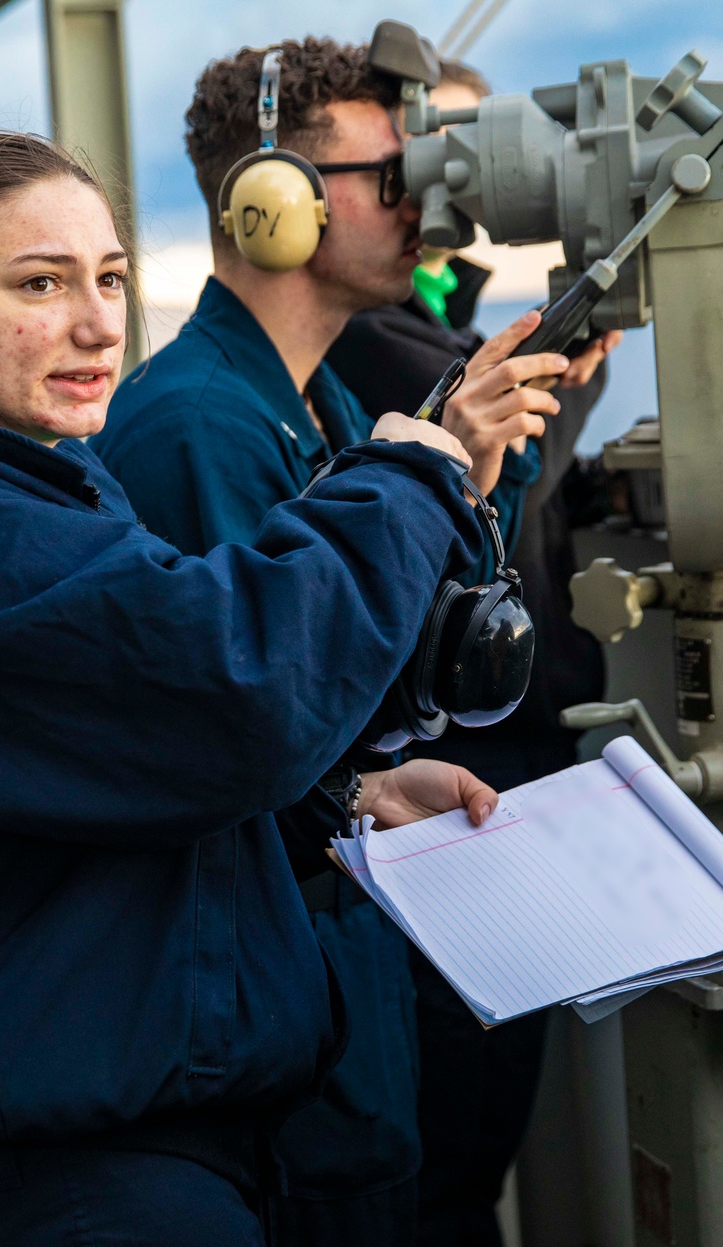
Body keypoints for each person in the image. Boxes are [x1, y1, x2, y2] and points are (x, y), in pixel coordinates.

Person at [0, 131, 503, 1247]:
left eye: (109, 278)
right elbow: (228, 687)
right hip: (81, 1174)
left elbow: (113, 753)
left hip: (170, 1137)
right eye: (40, 283)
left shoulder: (38, 482)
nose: (100, 322)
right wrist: (407, 473)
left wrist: (338, 799)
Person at [92, 38, 571, 1247]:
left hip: (340, 972)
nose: (427, 207)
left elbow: (412, 651)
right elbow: (256, 722)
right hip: (276, 993)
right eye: (392, 177)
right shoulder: (199, 427)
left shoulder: (337, 410)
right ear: (273, 204)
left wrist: (474, 474)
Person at [326, 60, 618, 1247]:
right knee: (457, 1130)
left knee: (476, 1119)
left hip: (487, 752)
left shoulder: (428, 325)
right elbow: (487, 486)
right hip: (460, 764)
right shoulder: (386, 344)